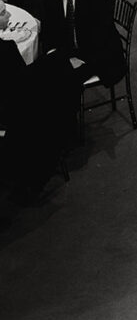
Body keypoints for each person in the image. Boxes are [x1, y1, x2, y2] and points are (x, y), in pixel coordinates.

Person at [0, 31, 80, 203]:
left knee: (55, 65)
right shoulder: (6, 49)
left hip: (17, 104)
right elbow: (20, 84)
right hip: (16, 110)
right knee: (56, 69)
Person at [40, 0, 126, 86]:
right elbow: (49, 29)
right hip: (68, 53)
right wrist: (58, 56)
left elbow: (101, 34)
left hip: (99, 55)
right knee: (39, 74)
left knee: (60, 82)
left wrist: (76, 60)